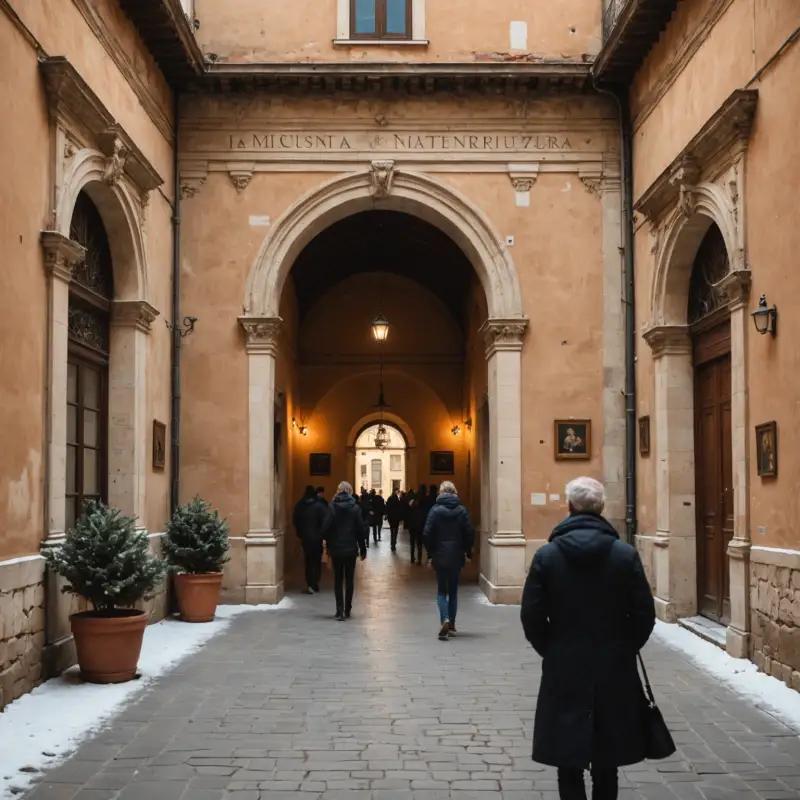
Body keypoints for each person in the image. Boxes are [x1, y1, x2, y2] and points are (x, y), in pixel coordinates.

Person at [520, 476, 656, 800]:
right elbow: (644, 615)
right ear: (602, 508)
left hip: (564, 665)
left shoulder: (548, 556)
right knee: (607, 757)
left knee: (567, 757)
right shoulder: (624, 555)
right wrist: (623, 646)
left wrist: (552, 648)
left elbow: (532, 615)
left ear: (569, 507)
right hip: (613, 667)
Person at [423, 481, 474, 641]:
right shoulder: (462, 510)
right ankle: (451, 624)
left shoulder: (435, 510)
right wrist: (467, 553)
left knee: (441, 591)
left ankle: (444, 618)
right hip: (457, 555)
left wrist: (430, 553)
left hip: (439, 555)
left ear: (440, 492)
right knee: (453, 591)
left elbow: (427, 533)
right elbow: (470, 534)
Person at [322, 481, 368, 620]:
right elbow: (360, 530)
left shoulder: (332, 507)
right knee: (349, 580)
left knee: (337, 580)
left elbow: (326, 527)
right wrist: (363, 549)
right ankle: (348, 608)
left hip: (336, 549)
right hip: (350, 549)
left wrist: (326, 542)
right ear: (350, 491)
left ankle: (339, 610)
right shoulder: (355, 508)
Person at [292, 485, 328, 594]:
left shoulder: (300, 505)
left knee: (308, 561)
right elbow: (326, 521)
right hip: (317, 538)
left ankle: (309, 583)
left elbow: (295, 520)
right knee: (317, 561)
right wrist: (322, 534)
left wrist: (300, 533)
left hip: (306, 538)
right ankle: (315, 582)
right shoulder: (320, 506)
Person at [408, 484, 428, 564]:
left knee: (412, 542)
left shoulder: (414, 498)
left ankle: (412, 557)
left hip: (413, 523)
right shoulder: (426, 498)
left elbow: (409, 509)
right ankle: (419, 559)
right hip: (421, 523)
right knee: (419, 542)